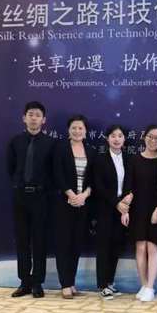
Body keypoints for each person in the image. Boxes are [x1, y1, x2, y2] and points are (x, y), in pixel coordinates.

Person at [6, 101, 55, 298]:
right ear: (24, 118)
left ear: (44, 120)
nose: (34, 118)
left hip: (41, 197)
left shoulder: (51, 143)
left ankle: (37, 283)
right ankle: (24, 282)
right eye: (30, 114)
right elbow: (11, 168)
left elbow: (53, 171)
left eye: (37, 115)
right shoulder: (15, 141)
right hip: (20, 196)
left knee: (39, 241)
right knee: (22, 240)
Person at [53, 114, 95, 299]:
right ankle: (65, 284)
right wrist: (70, 194)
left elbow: (94, 179)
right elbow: (57, 174)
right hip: (64, 203)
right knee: (63, 243)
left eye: (80, 128)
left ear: (85, 131)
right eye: (74, 128)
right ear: (68, 130)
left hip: (83, 204)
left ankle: (71, 281)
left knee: (76, 244)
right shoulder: (60, 148)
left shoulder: (91, 151)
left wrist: (84, 195)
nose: (77, 131)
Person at [122, 125, 157, 302]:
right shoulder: (134, 160)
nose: (153, 140)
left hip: (156, 209)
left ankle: (151, 287)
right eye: (150, 136)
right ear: (144, 137)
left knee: (152, 247)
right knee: (140, 247)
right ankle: (144, 284)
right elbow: (128, 186)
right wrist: (125, 209)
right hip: (137, 208)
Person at [92, 124, 132, 300]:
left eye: (120, 136)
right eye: (113, 136)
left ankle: (110, 282)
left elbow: (131, 182)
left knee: (116, 246)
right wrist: (116, 203)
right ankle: (102, 285)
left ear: (124, 139)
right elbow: (98, 186)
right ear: (107, 138)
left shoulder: (129, 159)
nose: (117, 139)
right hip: (105, 208)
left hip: (123, 208)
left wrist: (126, 201)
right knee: (104, 247)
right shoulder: (100, 159)